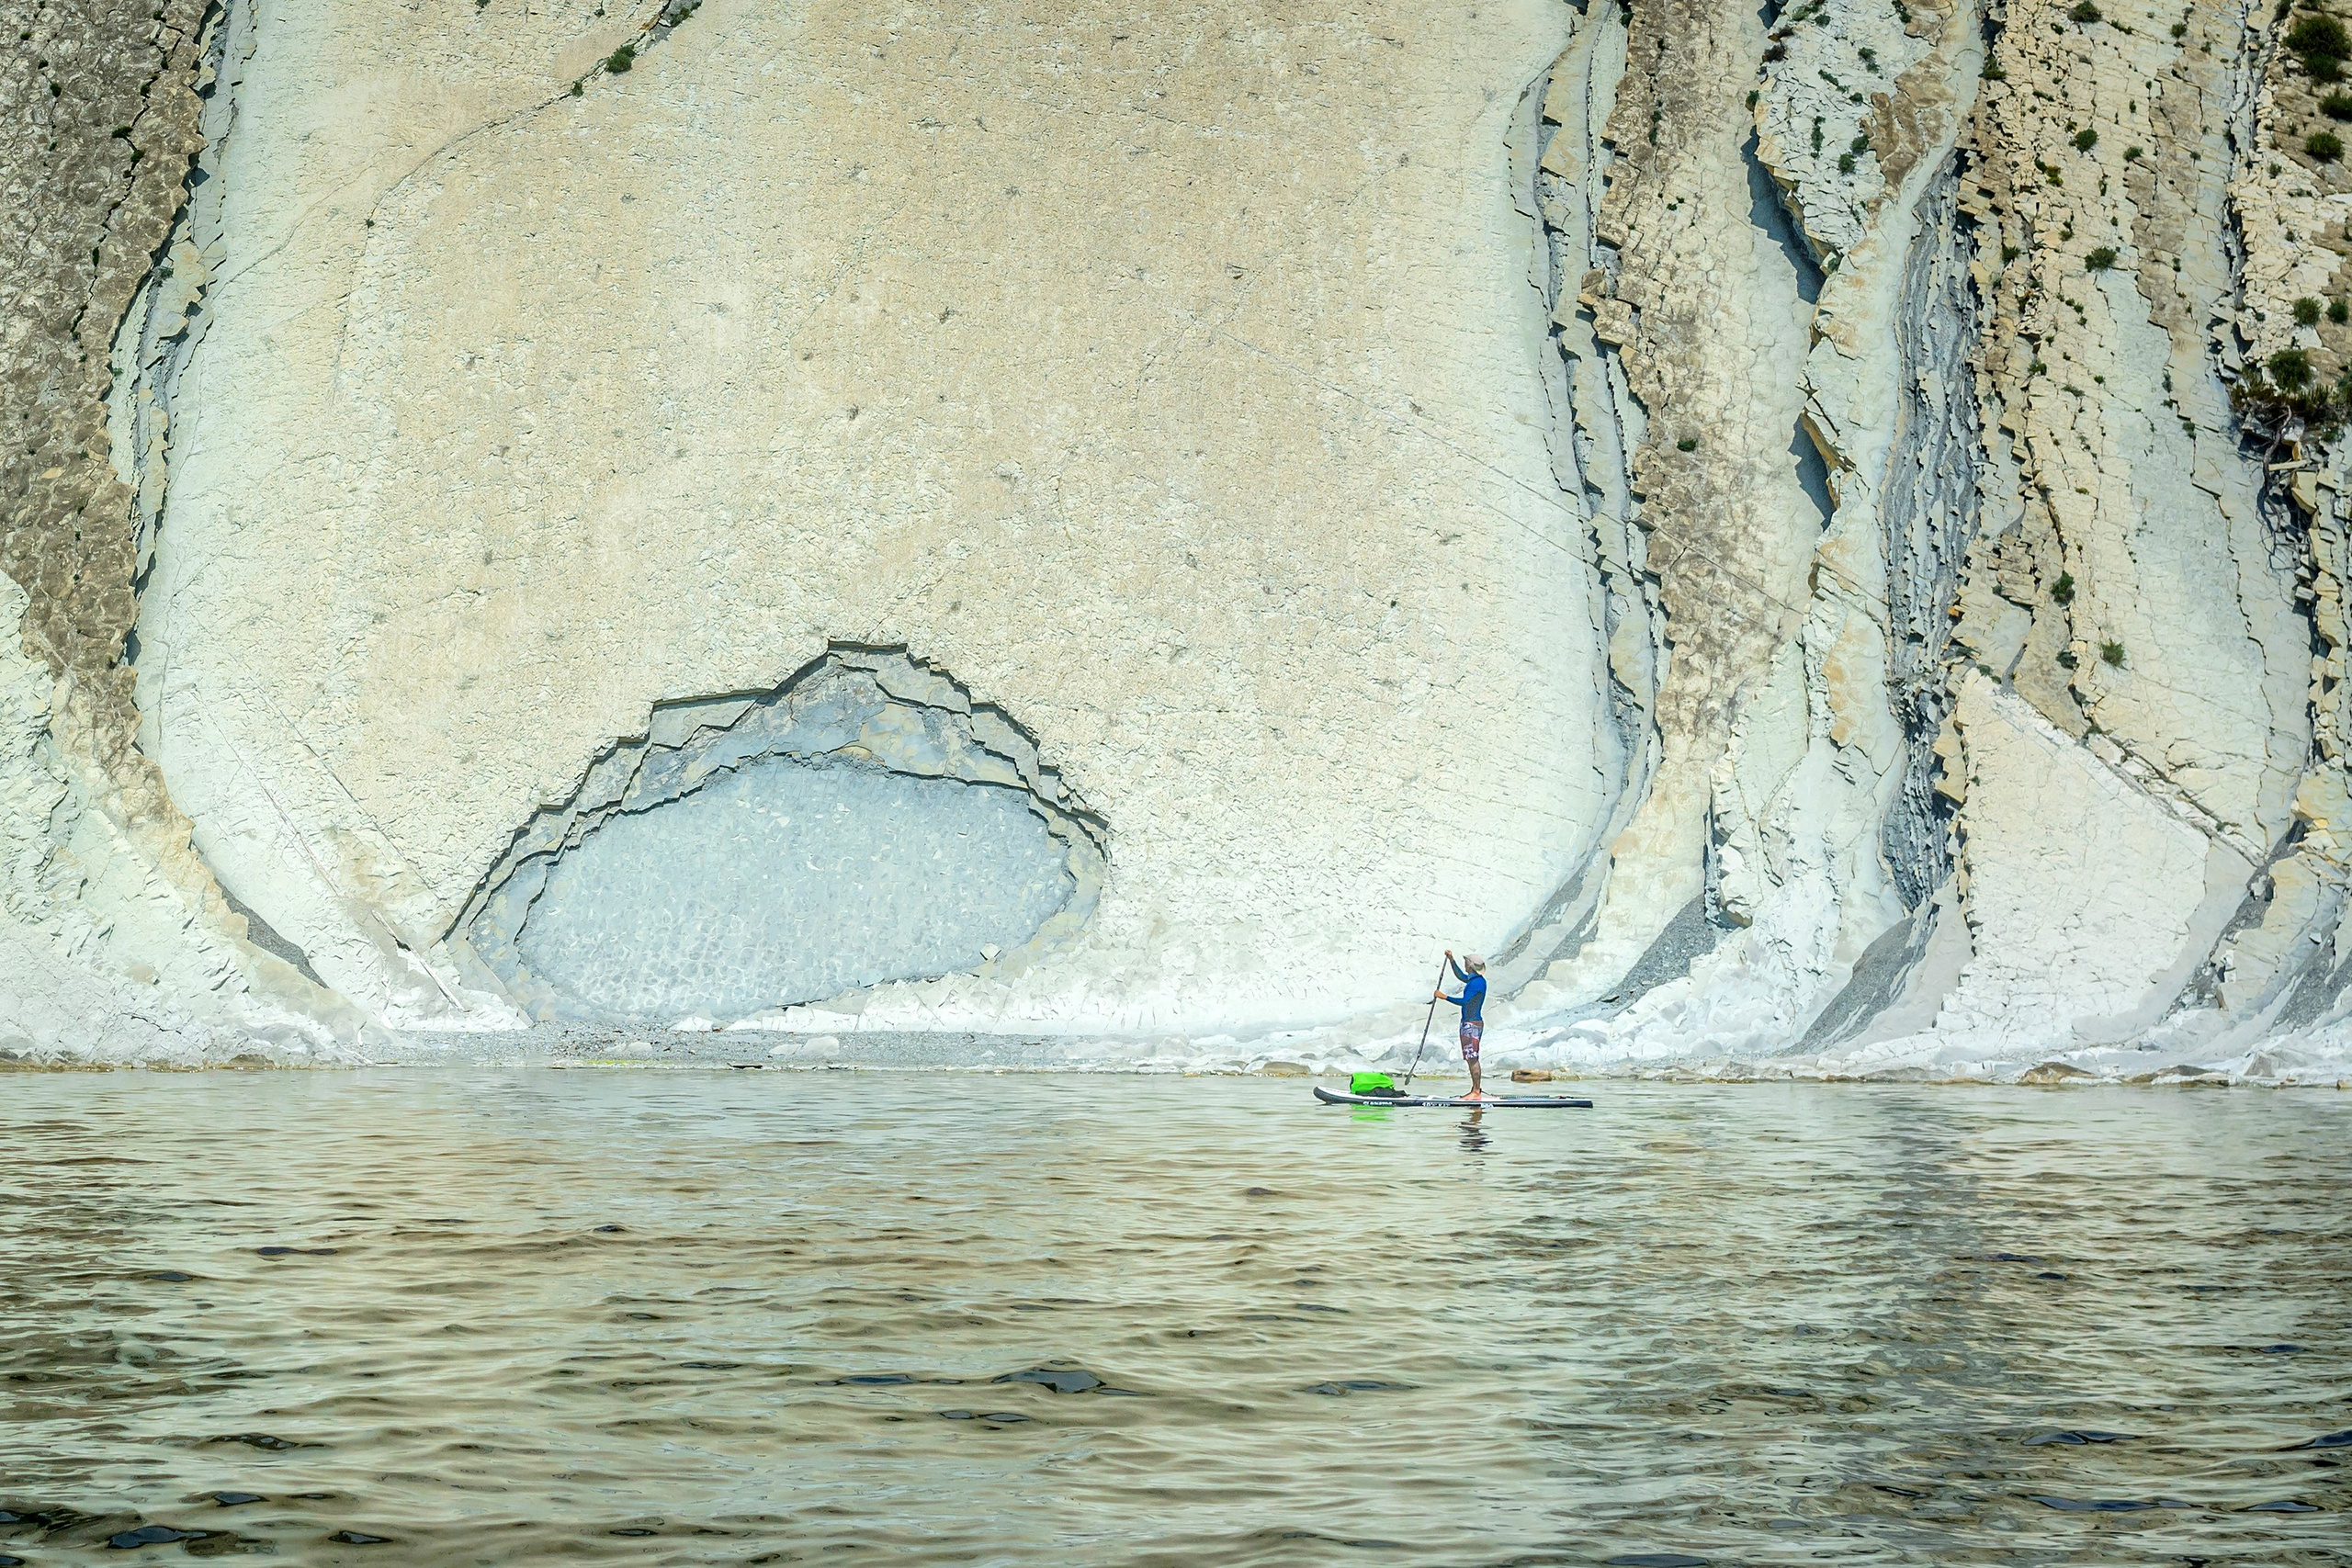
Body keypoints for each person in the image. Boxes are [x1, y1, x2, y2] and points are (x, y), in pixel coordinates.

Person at [1434, 950, 1490, 1100]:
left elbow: (1465, 1001)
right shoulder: (1475, 980)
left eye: (1466, 963)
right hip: (1469, 1023)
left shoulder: (1476, 983)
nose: (1465, 965)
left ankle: (1476, 1091)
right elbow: (1460, 976)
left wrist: (1444, 997)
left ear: (1470, 966)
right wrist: (1451, 960)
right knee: (1471, 1057)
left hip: (1472, 1024)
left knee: (1472, 1057)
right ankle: (1475, 1089)